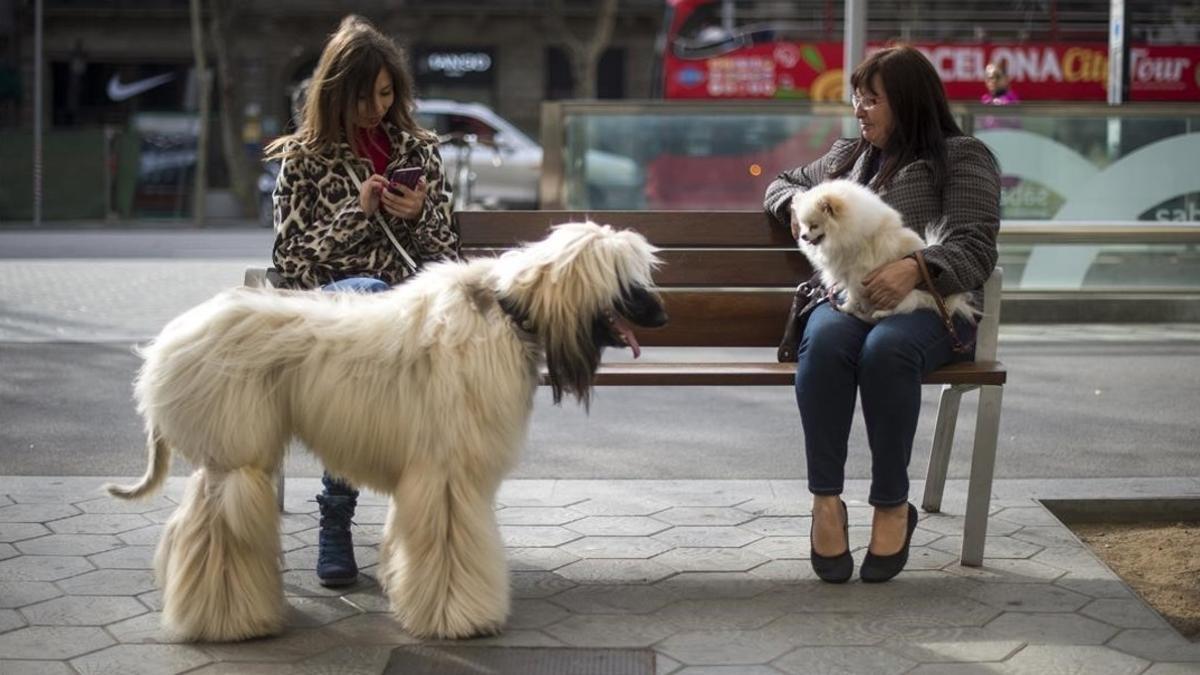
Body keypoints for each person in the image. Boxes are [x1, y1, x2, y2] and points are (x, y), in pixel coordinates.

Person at [763, 46, 1000, 583]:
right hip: (850, 302)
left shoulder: (963, 156)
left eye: (873, 99)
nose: (859, 109)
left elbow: (977, 248)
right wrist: (801, 214)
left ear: (909, 101)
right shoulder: (848, 157)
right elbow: (779, 185)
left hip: (932, 308)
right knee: (822, 345)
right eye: (857, 98)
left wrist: (917, 268)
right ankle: (826, 502)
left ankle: (892, 503)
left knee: (886, 350)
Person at [263, 14, 460, 587]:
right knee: (368, 307)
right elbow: (292, 262)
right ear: (335, 92)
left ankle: (421, 530)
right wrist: (358, 213)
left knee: (396, 320)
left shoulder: (418, 150)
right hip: (334, 310)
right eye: (364, 95)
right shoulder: (303, 157)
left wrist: (418, 215)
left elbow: (447, 256)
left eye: (386, 92)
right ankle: (336, 521)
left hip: (407, 308)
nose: (377, 107)